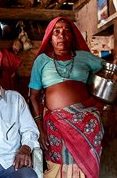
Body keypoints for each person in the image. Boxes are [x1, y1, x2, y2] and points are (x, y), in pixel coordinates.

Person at [29, 16, 105, 178]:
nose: (61, 35)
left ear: (73, 36)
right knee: (57, 164)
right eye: (56, 32)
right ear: (49, 38)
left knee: (85, 166)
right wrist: (39, 127)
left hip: (86, 123)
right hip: (55, 124)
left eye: (66, 31)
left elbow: (108, 69)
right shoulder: (41, 61)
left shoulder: (84, 57)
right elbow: (33, 96)